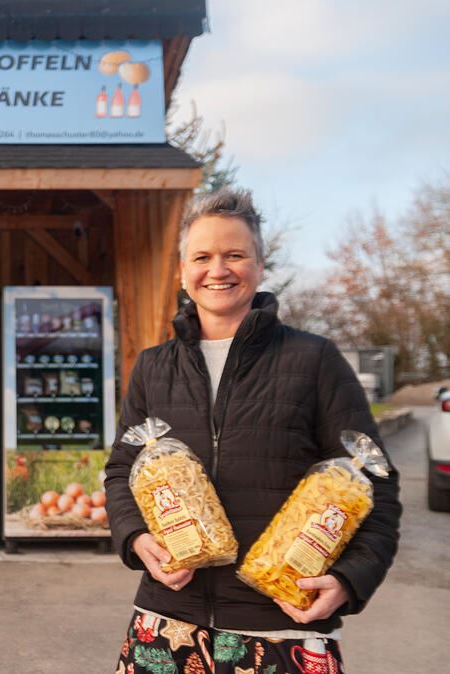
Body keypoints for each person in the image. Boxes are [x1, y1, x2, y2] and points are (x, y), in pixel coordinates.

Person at [104, 188, 401, 672]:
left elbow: (375, 484)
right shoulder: (154, 368)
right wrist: (136, 538)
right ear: (182, 272)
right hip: (167, 622)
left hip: (283, 624)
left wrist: (349, 579)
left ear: (260, 265)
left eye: (235, 254)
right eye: (202, 257)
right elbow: (121, 470)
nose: (217, 270)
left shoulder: (313, 359)